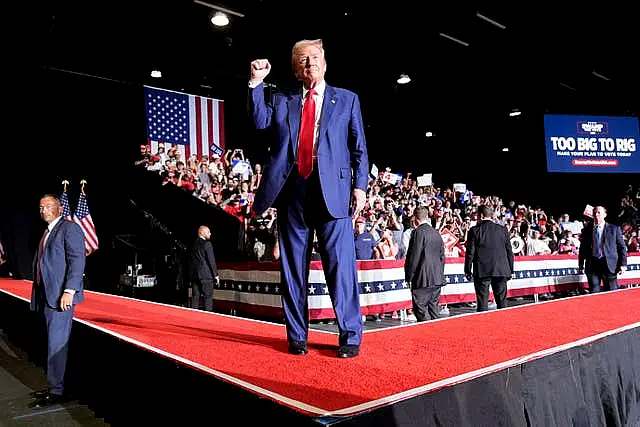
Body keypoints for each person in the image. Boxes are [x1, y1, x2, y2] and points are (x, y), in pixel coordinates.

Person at [248, 39, 368, 358]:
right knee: (293, 269)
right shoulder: (282, 99)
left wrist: (361, 187)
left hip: (335, 193)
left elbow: (359, 148)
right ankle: (297, 336)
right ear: (295, 69)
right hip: (293, 193)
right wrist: (256, 83)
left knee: (340, 267)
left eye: (314, 57)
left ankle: (350, 335)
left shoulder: (347, 100)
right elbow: (260, 123)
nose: (309, 63)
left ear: (325, 63)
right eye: (302, 59)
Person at [29, 194, 86, 407]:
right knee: (53, 343)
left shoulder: (69, 229)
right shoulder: (47, 232)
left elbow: (77, 260)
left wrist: (69, 291)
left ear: (59, 208)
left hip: (60, 297)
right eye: (41, 207)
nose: (44, 210)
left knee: (57, 343)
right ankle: (55, 385)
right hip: (46, 295)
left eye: (48, 206)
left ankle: (57, 391)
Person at [464, 205, 514, 312]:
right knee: (502, 303)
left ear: (481, 215)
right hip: (501, 270)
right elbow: (509, 251)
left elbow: (470, 253)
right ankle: (505, 324)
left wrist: (467, 270)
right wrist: (511, 269)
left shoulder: (474, 230)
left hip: (482, 271)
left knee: (482, 303)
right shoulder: (503, 230)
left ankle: (483, 326)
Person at [404, 206, 446, 321]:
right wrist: (440, 273)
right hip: (436, 278)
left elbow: (414, 256)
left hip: (421, 278)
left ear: (415, 218)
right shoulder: (436, 233)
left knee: (421, 309)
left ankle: (427, 334)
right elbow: (442, 256)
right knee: (433, 309)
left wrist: (409, 276)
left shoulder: (417, 233)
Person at [578, 206, 627, 292]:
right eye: (594, 213)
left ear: (605, 215)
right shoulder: (587, 230)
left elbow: (622, 247)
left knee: (610, 292)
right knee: (594, 291)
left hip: (609, 264)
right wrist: (581, 264)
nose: (596, 215)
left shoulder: (614, 229)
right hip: (592, 264)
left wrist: (623, 264)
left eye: (599, 212)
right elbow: (583, 248)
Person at [189, 226, 219, 311]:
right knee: (208, 299)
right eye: (208, 232)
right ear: (202, 233)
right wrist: (216, 275)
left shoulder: (193, 244)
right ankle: (207, 320)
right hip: (206, 276)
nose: (210, 233)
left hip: (195, 276)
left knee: (195, 298)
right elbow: (211, 260)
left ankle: (193, 318)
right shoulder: (207, 244)